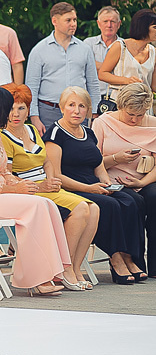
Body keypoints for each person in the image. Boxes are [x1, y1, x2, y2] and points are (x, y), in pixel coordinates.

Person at [0, 85, 72, 296]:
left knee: (46, 203)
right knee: (34, 208)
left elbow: (3, 172)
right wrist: (15, 188)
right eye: (7, 108)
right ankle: (36, 278)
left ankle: (54, 271)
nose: (10, 114)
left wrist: (24, 185)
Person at [44, 86, 148, 285]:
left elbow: (98, 164)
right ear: (62, 107)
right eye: (71, 105)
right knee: (111, 205)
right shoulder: (55, 134)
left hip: (94, 185)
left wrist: (106, 182)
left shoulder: (87, 132)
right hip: (72, 188)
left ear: (88, 109)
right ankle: (116, 258)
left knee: (132, 201)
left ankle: (129, 256)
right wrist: (89, 189)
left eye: (82, 106)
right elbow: (57, 176)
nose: (76, 111)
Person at [0, 83, 98, 289]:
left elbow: (46, 161)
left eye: (21, 108)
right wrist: (42, 186)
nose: (15, 114)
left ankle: (76, 267)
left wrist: (52, 181)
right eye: (11, 108)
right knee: (80, 208)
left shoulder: (32, 129)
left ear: (28, 110)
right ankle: (65, 268)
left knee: (94, 209)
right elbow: (7, 175)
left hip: (46, 186)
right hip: (27, 190)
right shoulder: (2, 136)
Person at [94, 83, 156, 271]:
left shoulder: (153, 123)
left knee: (154, 197)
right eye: (130, 114)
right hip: (112, 180)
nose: (135, 119)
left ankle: (154, 265)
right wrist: (116, 159)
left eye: (140, 114)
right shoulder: (102, 123)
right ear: (121, 106)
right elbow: (92, 162)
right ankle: (133, 260)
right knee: (134, 202)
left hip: (144, 179)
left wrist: (142, 182)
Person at [25, 2, 102, 135]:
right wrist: (34, 117)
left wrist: (95, 113)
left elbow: (93, 83)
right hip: (49, 112)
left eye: (75, 20)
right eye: (68, 20)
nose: (73, 24)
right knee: (50, 154)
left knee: (78, 152)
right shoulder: (39, 50)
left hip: (79, 112)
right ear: (54, 21)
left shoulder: (85, 49)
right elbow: (31, 87)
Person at [97, 9, 156, 103]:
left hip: (143, 105)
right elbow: (103, 74)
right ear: (143, 27)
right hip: (121, 103)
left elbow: (154, 85)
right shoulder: (120, 46)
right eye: (155, 27)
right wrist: (126, 80)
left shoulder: (153, 52)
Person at [86, 5, 123, 71]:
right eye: (105, 21)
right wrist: (113, 67)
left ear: (119, 24)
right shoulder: (89, 43)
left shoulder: (125, 45)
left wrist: (96, 65)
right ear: (99, 24)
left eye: (113, 22)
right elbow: (84, 65)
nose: (109, 25)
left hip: (117, 82)